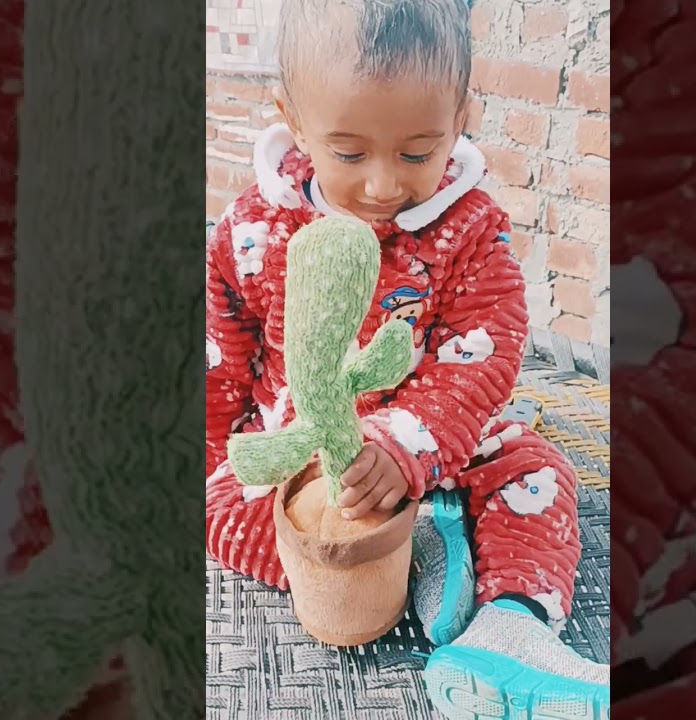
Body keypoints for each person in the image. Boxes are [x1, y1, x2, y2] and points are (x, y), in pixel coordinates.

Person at [203, 0, 608, 716]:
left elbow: (487, 351)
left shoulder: (471, 228)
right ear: (293, 119)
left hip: (436, 443)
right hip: (297, 455)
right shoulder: (252, 228)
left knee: (537, 469)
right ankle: (411, 550)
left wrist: (405, 446)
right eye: (351, 153)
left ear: (461, 114)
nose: (384, 185)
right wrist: (217, 456)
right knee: (215, 506)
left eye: (419, 152)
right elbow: (219, 355)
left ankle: (508, 626)